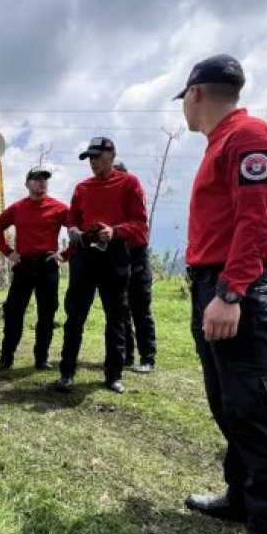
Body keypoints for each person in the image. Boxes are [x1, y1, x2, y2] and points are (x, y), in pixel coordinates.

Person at [176, 54, 267, 534]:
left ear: (196, 93)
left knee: (256, 411)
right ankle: (242, 498)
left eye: (183, 97)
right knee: (230, 406)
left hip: (237, 289)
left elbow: (258, 220)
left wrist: (231, 292)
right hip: (216, 284)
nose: (183, 107)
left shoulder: (248, 136)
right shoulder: (221, 142)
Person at [53, 138, 148, 394]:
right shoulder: (82, 187)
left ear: (112, 155)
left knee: (116, 317)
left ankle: (114, 375)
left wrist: (114, 231)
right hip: (84, 255)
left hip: (115, 255)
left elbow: (139, 223)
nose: (93, 162)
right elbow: (72, 218)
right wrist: (73, 230)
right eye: (90, 158)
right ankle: (66, 373)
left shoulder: (129, 183)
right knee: (75, 317)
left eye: (97, 157)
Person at [0, 166, 68, 372]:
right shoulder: (17, 208)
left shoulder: (59, 208)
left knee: (47, 313)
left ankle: (41, 358)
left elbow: (78, 229)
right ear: (27, 183)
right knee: (14, 312)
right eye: (36, 179)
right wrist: (8, 252)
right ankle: (6, 359)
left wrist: (66, 254)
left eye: (44, 179)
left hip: (47, 265)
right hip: (24, 265)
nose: (41, 182)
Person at [113, 160, 158, 374]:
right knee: (121, 311)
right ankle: (126, 355)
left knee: (140, 310)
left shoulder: (134, 195)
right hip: (117, 258)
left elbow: (137, 228)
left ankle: (147, 357)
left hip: (137, 258)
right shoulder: (109, 199)